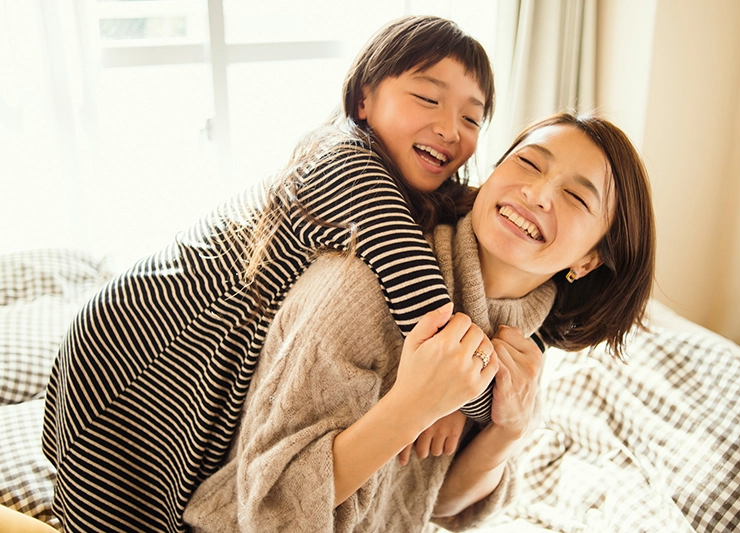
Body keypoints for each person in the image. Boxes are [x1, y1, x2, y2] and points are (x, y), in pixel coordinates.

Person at [42, 15, 495, 533]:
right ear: (364, 99)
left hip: (200, 354)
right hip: (143, 352)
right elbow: (434, 323)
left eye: (472, 118)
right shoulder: (350, 166)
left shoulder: (402, 184)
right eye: (428, 99)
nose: (450, 128)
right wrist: (466, 400)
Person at [182, 112, 656, 532]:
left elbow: (437, 505)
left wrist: (508, 430)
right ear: (491, 174)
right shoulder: (362, 285)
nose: (537, 192)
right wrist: (417, 404)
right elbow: (272, 511)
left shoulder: (522, 335)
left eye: (576, 196)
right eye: (528, 163)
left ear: (589, 260)